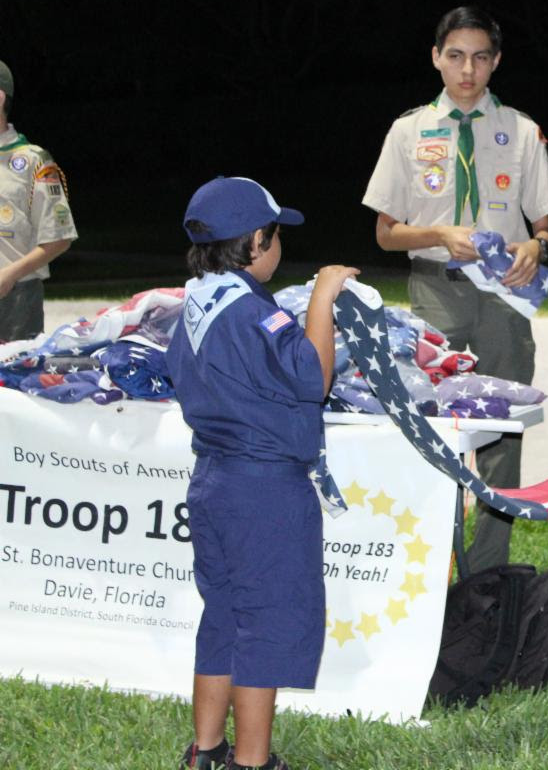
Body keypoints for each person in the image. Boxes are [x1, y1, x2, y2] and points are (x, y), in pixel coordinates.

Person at [166, 176, 358, 770]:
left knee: (223, 613)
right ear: (256, 241)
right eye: (277, 235)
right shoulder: (252, 311)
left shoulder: (195, 304)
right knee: (268, 625)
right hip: (264, 489)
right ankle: (252, 762)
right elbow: (312, 379)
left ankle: (206, 752)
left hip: (212, 481)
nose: (280, 247)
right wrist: (323, 299)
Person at [363, 5, 548, 573]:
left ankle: (487, 570)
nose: (467, 69)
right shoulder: (408, 130)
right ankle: (434, 566)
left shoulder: (521, 131)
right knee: (435, 426)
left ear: (495, 62)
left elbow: (546, 227)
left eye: (479, 57)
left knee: (501, 428)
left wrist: (535, 249)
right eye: (455, 56)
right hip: (435, 291)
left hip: (503, 297)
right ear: (435, 58)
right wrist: (439, 234)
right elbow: (384, 233)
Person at [0, 59, 78, 342]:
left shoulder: (34, 161)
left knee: (10, 383)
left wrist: (8, 274)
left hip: (15, 301)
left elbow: (59, 238)